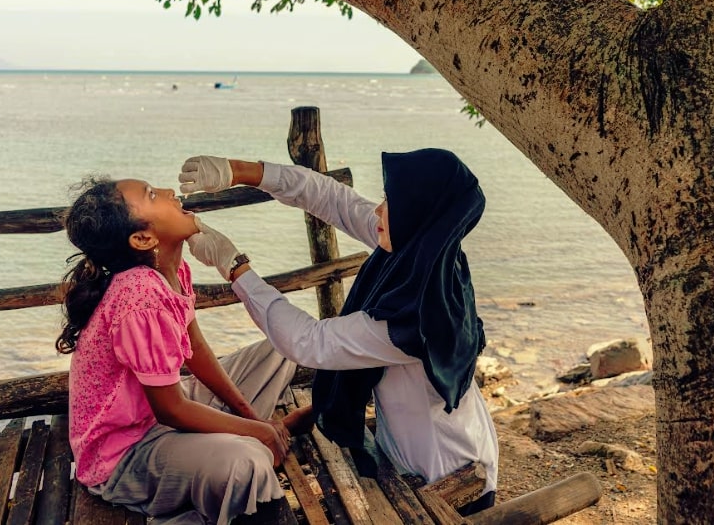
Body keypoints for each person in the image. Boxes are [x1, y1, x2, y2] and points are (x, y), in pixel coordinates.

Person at [179, 148, 499, 515]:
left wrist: (235, 266)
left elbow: (309, 342)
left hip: (445, 474)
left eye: (389, 201)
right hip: (422, 446)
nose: (377, 210)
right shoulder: (424, 254)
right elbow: (330, 197)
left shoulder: (416, 319)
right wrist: (237, 171)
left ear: (418, 210)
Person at [56, 176, 313, 524]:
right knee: (246, 461)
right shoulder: (139, 294)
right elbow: (171, 411)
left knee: (282, 347)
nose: (169, 193)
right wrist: (257, 433)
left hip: (158, 412)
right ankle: (258, 445)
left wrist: (251, 418)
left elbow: (195, 351)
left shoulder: (172, 271)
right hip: (125, 453)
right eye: (152, 195)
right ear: (143, 238)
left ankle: (264, 433)